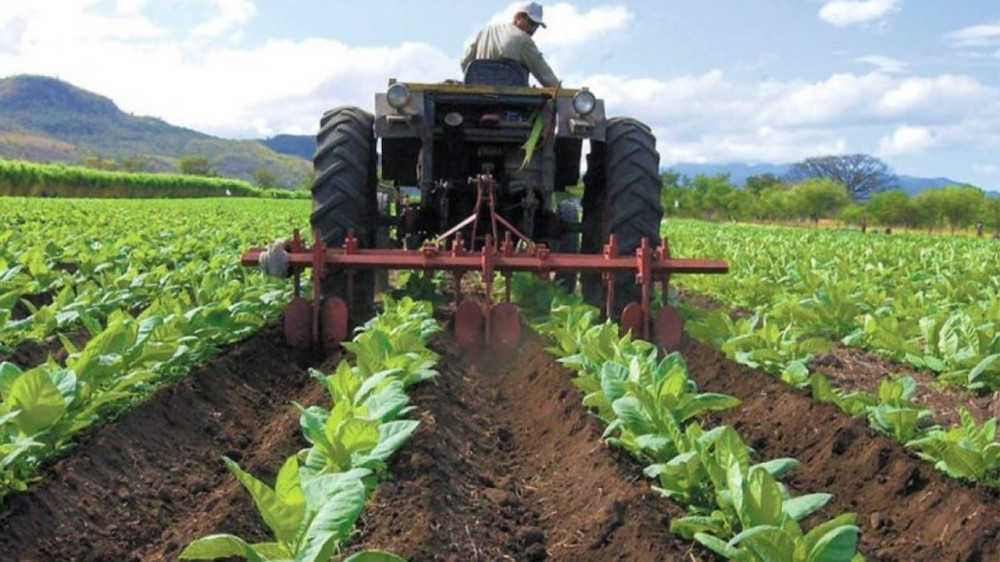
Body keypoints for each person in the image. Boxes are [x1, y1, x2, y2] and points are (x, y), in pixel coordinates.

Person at [460, 2, 560, 87]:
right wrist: (564, 96)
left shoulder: (486, 31)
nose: (533, 29)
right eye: (531, 23)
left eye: (536, 26)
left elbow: (464, 62)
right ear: (518, 17)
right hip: (511, 102)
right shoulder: (524, 40)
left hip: (479, 99)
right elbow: (545, 74)